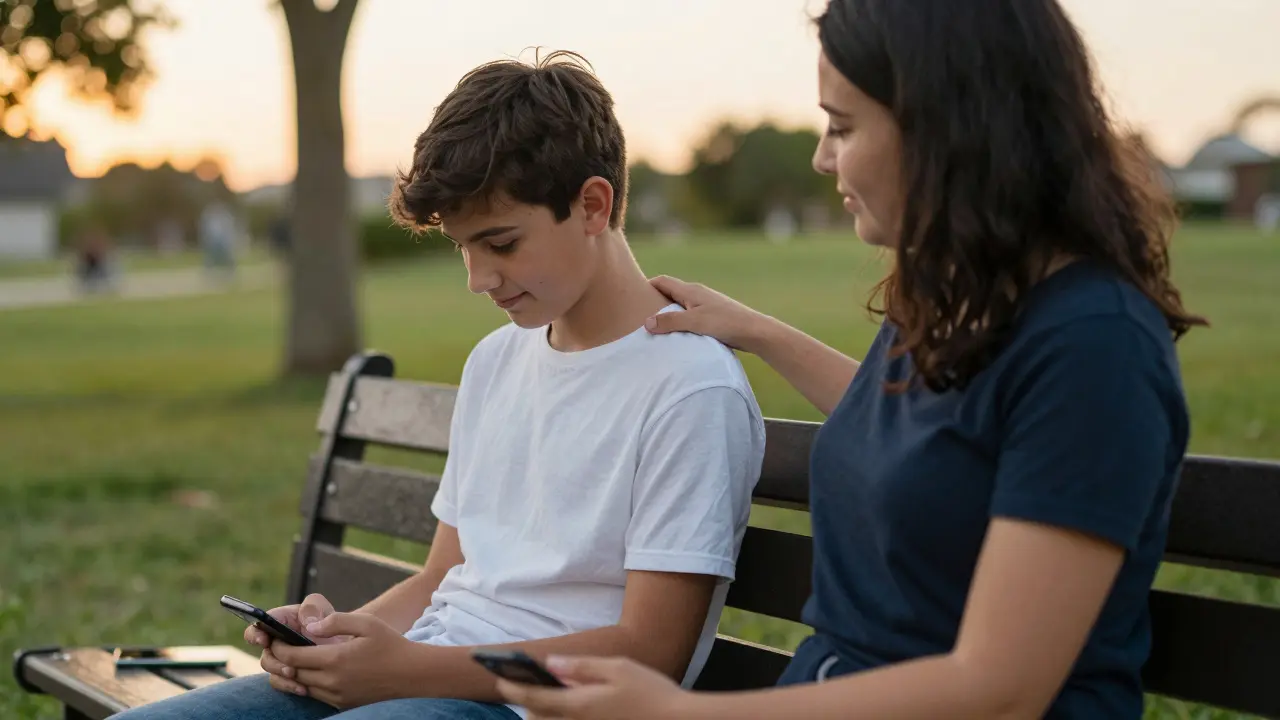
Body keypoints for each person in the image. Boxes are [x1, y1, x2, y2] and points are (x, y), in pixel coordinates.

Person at [499, 1, 1206, 719]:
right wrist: (758, 331)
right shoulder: (959, 297)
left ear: (948, 126)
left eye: (841, 126)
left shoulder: (1095, 346)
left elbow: (1000, 688)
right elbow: (915, 430)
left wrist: (682, 714)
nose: (822, 156)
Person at [114, 51, 765, 720]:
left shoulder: (690, 389)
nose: (477, 278)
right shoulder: (495, 362)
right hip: (425, 674)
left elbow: (649, 649)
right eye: (463, 247)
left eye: (502, 243)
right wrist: (335, 641)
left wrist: (409, 671)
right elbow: (439, 580)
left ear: (593, 205)